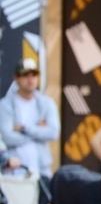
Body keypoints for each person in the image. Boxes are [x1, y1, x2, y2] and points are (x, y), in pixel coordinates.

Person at [0, 59, 59, 188]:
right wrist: (39, 131)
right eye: (25, 75)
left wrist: (25, 128)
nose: (30, 79)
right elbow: (7, 137)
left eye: (34, 75)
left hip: (41, 169)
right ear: (16, 78)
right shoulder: (5, 105)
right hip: (15, 171)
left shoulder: (46, 103)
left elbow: (53, 132)